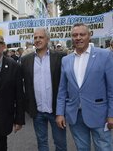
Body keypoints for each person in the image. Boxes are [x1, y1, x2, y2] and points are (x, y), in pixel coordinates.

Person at [56, 23, 113, 151]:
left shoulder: (105, 55)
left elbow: (111, 89)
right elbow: (62, 90)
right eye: (75, 35)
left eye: (82, 34)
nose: (78, 37)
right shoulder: (66, 60)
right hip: (75, 115)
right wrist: (60, 113)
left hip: (100, 114)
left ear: (89, 36)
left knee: (104, 148)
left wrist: (111, 114)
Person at [21, 28, 67, 151]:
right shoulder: (26, 60)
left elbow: (65, 83)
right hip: (37, 111)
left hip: (56, 111)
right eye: (35, 37)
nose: (37, 40)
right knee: (42, 143)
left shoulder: (61, 57)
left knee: (60, 144)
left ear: (47, 39)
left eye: (41, 37)